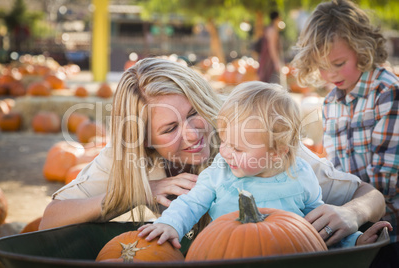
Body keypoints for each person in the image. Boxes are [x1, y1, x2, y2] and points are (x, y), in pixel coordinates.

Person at [39, 57, 385, 248]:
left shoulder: (248, 130)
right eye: (170, 129)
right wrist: (135, 193)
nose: (192, 134)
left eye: (193, 114)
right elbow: (49, 219)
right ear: (145, 141)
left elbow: (367, 194)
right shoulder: (126, 155)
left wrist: (353, 214)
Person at [138, 81, 391, 248]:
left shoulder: (300, 174)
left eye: (237, 148)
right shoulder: (220, 172)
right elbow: (191, 204)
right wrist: (169, 224)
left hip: (288, 259)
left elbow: (317, 224)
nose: (224, 151)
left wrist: (355, 241)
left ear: (277, 152)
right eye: (223, 141)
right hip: (226, 255)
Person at [291, 0, 399, 243]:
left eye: (339, 64)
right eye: (322, 67)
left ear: (363, 49)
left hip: (387, 229)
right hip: (350, 221)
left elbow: (384, 190)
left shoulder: (388, 93)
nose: (331, 75)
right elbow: (338, 175)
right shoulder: (331, 103)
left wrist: (348, 215)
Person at [257, 11, 282, 84]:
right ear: (277, 19)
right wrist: (276, 62)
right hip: (269, 60)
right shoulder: (272, 30)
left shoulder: (268, 28)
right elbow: (272, 47)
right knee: (271, 81)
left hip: (266, 58)